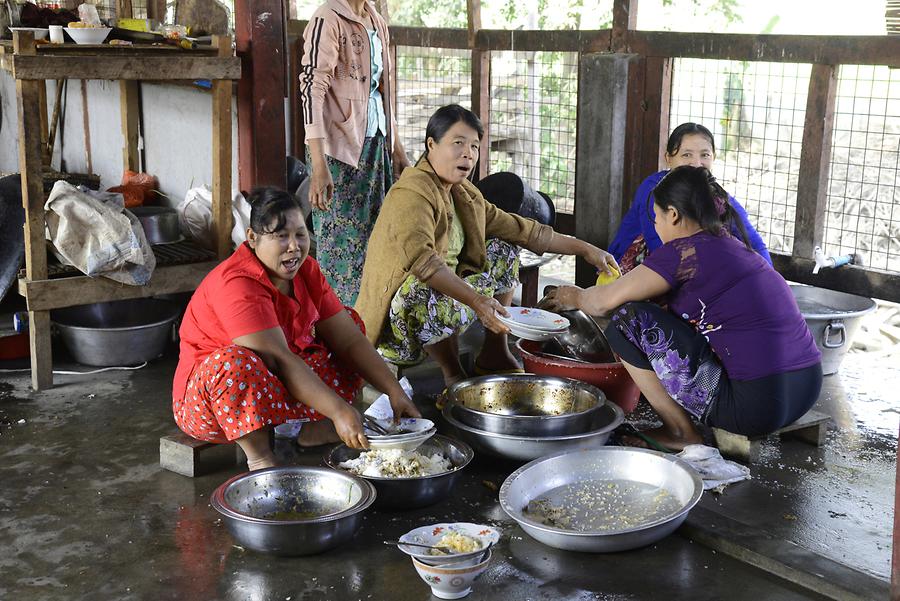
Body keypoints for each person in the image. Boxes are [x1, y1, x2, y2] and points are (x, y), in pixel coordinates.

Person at [542, 166, 822, 451]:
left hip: (755, 407)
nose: (655, 227)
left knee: (628, 321)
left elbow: (602, 303)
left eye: (656, 217)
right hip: (807, 389)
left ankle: (680, 431)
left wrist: (573, 297)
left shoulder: (685, 252)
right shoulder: (735, 247)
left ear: (673, 214)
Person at [355, 104, 618, 392]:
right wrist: (478, 301)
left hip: (449, 297)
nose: (468, 153)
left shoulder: (464, 193)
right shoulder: (412, 194)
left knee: (505, 247)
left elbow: (522, 229)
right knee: (422, 288)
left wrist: (586, 249)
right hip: (400, 319)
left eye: (474, 146)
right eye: (458, 143)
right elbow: (425, 263)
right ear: (431, 144)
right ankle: (453, 374)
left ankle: (494, 353)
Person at [172, 188, 420, 471]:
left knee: (348, 322)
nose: (294, 246)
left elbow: (349, 340)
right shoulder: (236, 283)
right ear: (252, 238)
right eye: (281, 236)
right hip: (211, 405)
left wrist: (393, 390)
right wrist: (340, 410)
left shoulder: (306, 271)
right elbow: (278, 358)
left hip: (270, 384)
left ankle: (312, 429)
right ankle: (260, 456)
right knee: (236, 365)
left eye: (300, 234)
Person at [299, 0, 409, 306]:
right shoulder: (328, 17)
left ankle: (367, 324)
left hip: (376, 143)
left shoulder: (375, 18)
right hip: (338, 152)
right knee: (341, 246)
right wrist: (319, 165)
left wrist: (396, 146)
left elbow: (383, 89)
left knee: (377, 238)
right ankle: (338, 327)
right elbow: (312, 90)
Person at [608, 122, 771, 272]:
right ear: (669, 159)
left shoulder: (714, 192)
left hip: (684, 266)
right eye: (686, 155)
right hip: (634, 267)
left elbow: (753, 241)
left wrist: (768, 278)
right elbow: (659, 246)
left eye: (705, 155)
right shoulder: (653, 189)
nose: (696, 163)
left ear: (713, 157)